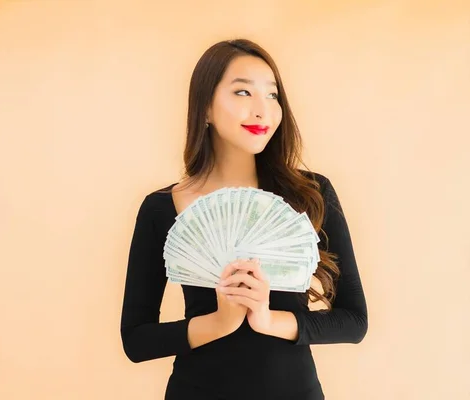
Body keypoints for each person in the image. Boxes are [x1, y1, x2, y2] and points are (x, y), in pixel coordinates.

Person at [120, 38, 368, 400]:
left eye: (272, 95)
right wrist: (220, 322)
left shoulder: (311, 194)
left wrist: (268, 320)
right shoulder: (162, 208)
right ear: (205, 108)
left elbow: (354, 321)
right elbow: (136, 339)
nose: (262, 110)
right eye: (242, 93)